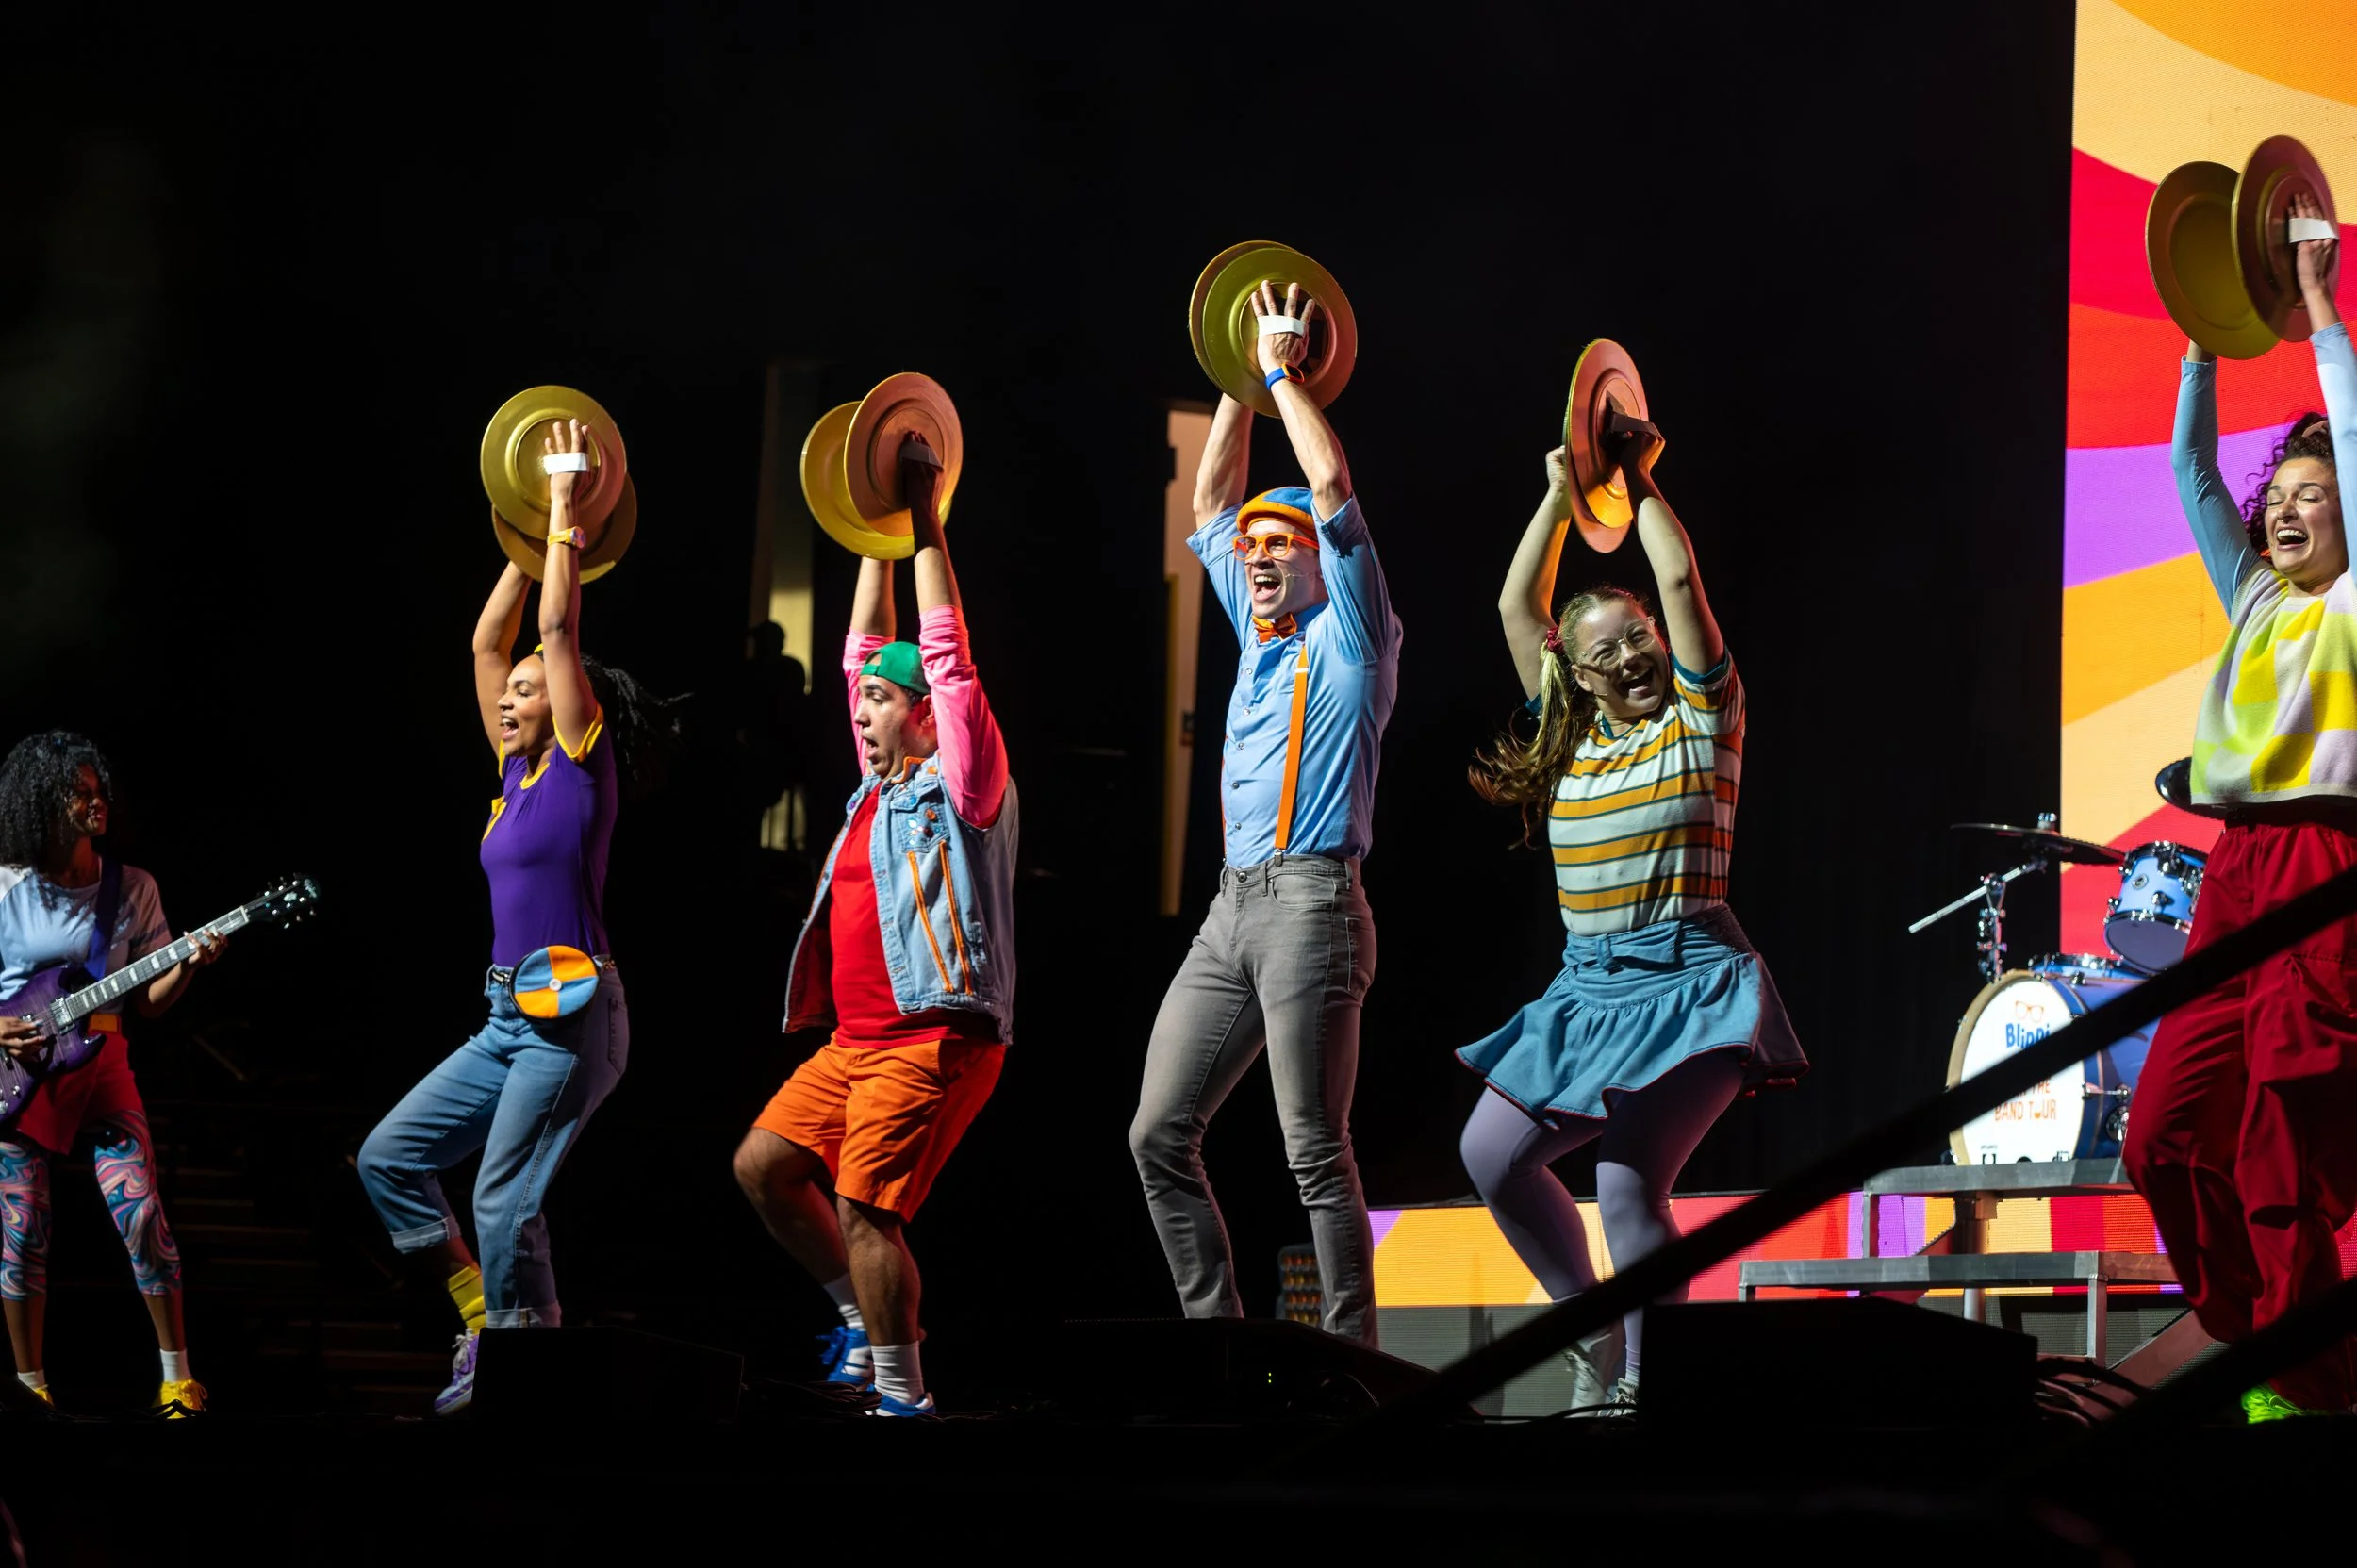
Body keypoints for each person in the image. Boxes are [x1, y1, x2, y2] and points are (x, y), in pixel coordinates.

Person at [1456, 426, 1805, 1411]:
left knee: (1622, 1182)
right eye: (1606, 650)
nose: (1632, 656)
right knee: (1490, 1155)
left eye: (1641, 635)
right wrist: (1561, 495)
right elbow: (1513, 606)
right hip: (1585, 987)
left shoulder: (1705, 719)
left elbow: (1684, 584)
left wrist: (1639, 479)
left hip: (1691, 980)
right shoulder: (1566, 738)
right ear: (1578, 670)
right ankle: (1591, 1325)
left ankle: (1650, 1386)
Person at [354, 418, 662, 1417]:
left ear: (566, 708)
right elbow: (494, 636)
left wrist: (569, 511)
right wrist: (528, 538)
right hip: (503, 1017)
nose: (509, 693)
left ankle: (519, 1366)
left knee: (503, 1198)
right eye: (509, 691)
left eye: (528, 691)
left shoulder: (579, 766)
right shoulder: (513, 772)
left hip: (575, 1017)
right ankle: (482, 1316)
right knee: (391, 1157)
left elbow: (555, 633)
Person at [1130, 279, 1402, 1346]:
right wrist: (1236, 381)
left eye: (1278, 543)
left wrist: (1285, 372)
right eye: (1253, 549)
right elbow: (1207, 504)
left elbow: (1329, 479)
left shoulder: (1352, 638)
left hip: (1313, 903)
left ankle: (1350, 1354)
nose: (1256, 554)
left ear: (1317, 560)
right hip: (1229, 912)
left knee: (1310, 1146)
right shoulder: (1261, 636)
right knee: (1157, 1132)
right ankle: (1220, 1343)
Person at [2122, 191, 2357, 1421]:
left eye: (2313, 493)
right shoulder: (2259, 598)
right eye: (2284, 492)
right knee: (2161, 1133)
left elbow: (2356, 437)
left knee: (2282, 1153)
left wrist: (2317, 302)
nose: (2285, 505)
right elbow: (2187, 466)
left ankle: (2312, 1391)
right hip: (2236, 870)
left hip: (2330, 870)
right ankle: (2249, 1323)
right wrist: (2204, 329)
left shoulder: (2355, 602)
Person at [732, 431, 1014, 1419]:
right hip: (856, 1044)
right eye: (863, 700)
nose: (863, 711)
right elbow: (863, 645)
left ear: (931, 714)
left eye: (884, 701)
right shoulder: (873, 793)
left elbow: (944, 649)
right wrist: (869, 526)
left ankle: (903, 1397)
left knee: (864, 1207)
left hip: (934, 1037)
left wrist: (924, 519)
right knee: (764, 1167)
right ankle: (858, 1321)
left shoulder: (963, 784)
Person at [0, 730, 227, 1415]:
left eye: (98, 790)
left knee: (141, 1214)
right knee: (20, 1229)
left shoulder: (133, 887)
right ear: (42, 799)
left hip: (103, 1063)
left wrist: (184, 963)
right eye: (79, 792)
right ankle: (29, 1388)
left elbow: (149, 1003)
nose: (95, 802)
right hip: (17, 1070)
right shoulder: (6, 886)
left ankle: (177, 1377)